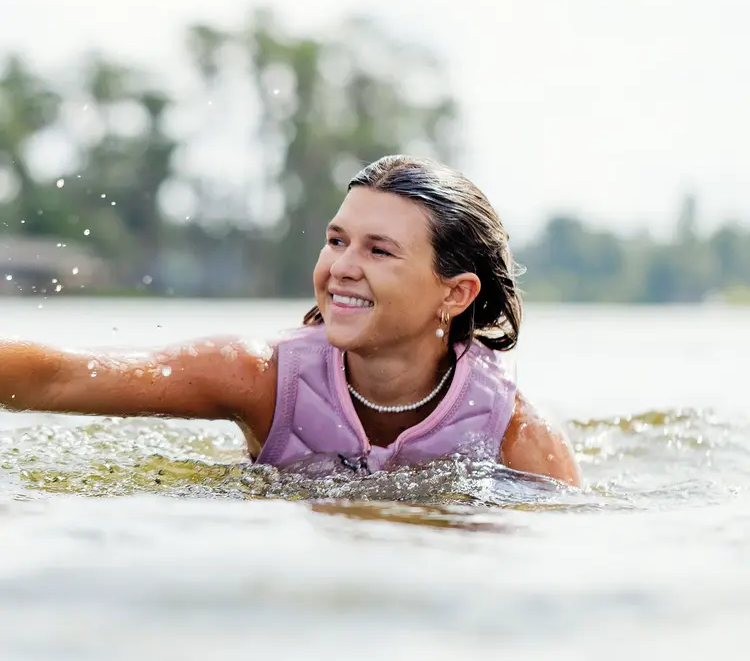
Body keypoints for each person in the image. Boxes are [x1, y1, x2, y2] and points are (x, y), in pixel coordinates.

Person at [0, 156, 580, 486]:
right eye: (337, 240)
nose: (341, 267)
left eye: (379, 250)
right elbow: (61, 378)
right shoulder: (260, 377)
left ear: (455, 294)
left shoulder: (515, 432)